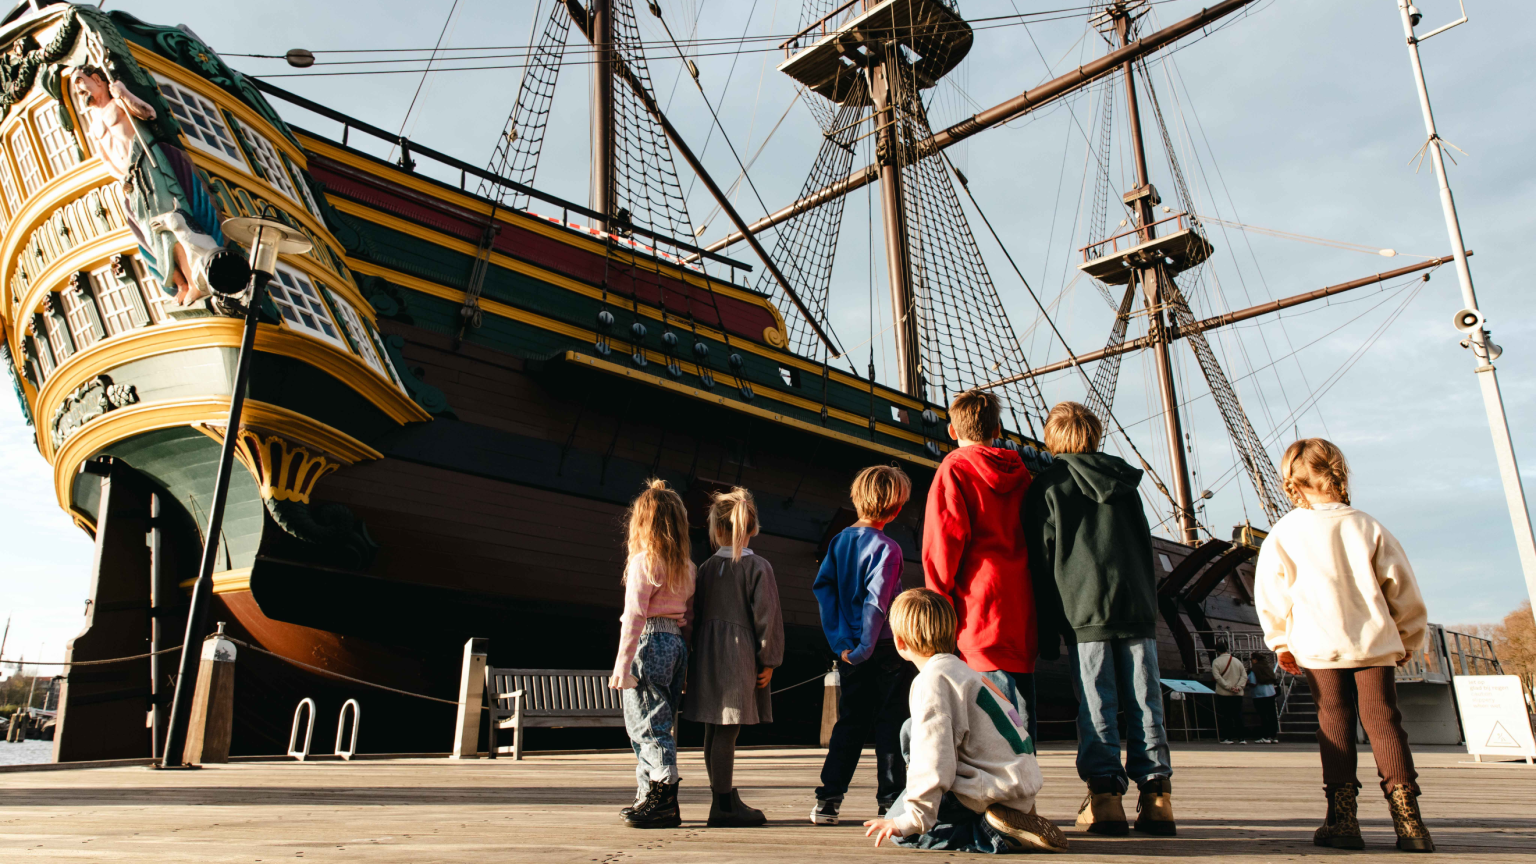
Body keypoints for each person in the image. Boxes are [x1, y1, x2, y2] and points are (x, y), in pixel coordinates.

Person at [1256, 438, 1433, 853]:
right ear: (1338, 472)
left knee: (1332, 719)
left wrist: (1281, 643)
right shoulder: (1368, 526)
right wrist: (1407, 638)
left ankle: (1343, 820)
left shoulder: (1284, 532)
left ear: (1291, 480)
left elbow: (1271, 596)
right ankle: (1410, 823)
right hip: (1373, 642)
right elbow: (1402, 590)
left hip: (1318, 645)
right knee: (1384, 720)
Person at [1023, 401, 1175, 836]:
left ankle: (1105, 796)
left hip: (1083, 611)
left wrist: (1049, 628)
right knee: (1146, 702)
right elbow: (1144, 549)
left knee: (1096, 703)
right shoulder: (1127, 484)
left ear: (1054, 437)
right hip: (1136, 608)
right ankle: (1156, 795)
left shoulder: (1049, 486)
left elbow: (1043, 560)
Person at [862, 588, 1068, 854]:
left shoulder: (931, 681)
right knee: (911, 729)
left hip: (990, 788)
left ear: (900, 642)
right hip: (1017, 786)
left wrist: (913, 818)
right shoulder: (970, 673)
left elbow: (932, 756)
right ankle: (1016, 816)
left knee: (900, 832)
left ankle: (990, 833)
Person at [922, 389, 1037, 739]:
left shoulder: (955, 469)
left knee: (989, 727)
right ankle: (1023, 791)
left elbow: (942, 548)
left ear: (952, 431)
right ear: (998, 428)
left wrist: (937, 617)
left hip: (978, 614)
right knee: (1021, 723)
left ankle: (998, 792)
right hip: (1020, 611)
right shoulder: (1023, 476)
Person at [811, 465, 914, 825]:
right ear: (897, 507)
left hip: (847, 649)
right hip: (885, 648)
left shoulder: (839, 541)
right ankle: (889, 802)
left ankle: (828, 800)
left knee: (850, 722)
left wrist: (842, 643)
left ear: (856, 498)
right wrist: (867, 646)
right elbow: (877, 602)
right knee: (891, 722)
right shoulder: (889, 549)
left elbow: (824, 591)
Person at [682, 486, 784, 828]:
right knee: (728, 730)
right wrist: (769, 658)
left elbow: (692, 615)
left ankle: (721, 796)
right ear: (752, 528)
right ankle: (723, 805)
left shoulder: (706, 567)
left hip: (706, 655)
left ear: (717, 529)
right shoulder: (758, 566)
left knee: (714, 728)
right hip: (738, 656)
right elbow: (767, 616)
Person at [609, 478, 696, 829]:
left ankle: (663, 797)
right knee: (660, 721)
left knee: (645, 724)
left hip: (648, 642)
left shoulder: (644, 562)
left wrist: (622, 663)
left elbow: (634, 616)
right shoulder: (687, 568)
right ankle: (647, 796)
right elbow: (686, 616)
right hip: (675, 643)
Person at [1210, 640, 1247, 745]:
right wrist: (1238, 687)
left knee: (1226, 716)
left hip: (1224, 693)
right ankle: (1242, 738)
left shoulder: (1216, 662)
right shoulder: (1237, 661)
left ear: (1217, 651)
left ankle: (1228, 738)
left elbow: (1217, 677)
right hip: (1237, 694)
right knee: (1238, 715)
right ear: (1227, 649)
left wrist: (1228, 687)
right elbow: (1244, 675)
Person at [1250, 651, 1280, 744]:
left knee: (1263, 716)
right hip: (1270, 693)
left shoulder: (1254, 669)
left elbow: (1253, 682)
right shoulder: (1267, 667)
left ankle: (1265, 736)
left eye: (1251, 659)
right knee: (1272, 715)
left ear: (1255, 659)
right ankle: (1273, 736)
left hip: (1259, 695)